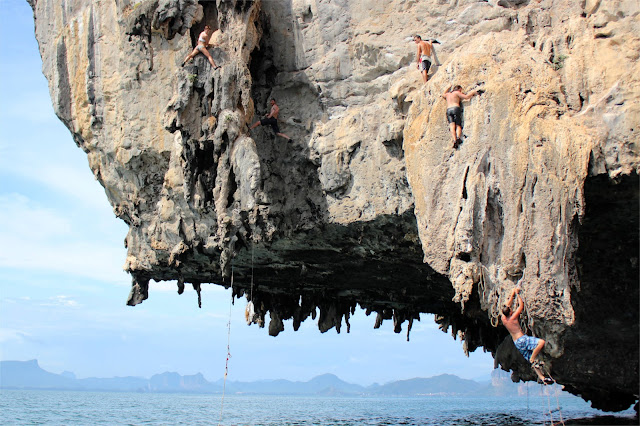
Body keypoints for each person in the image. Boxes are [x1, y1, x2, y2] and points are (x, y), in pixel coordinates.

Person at [501, 287, 553, 384]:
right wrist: (518, 294)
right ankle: (533, 357)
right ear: (511, 312)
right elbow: (521, 306)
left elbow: (507, 307)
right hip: (522, 339)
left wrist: (512, 294)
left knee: (533, 362)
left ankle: (542, 378)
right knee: (541, 343)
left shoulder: (504, 319)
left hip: (517, 343)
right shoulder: (513, 318)